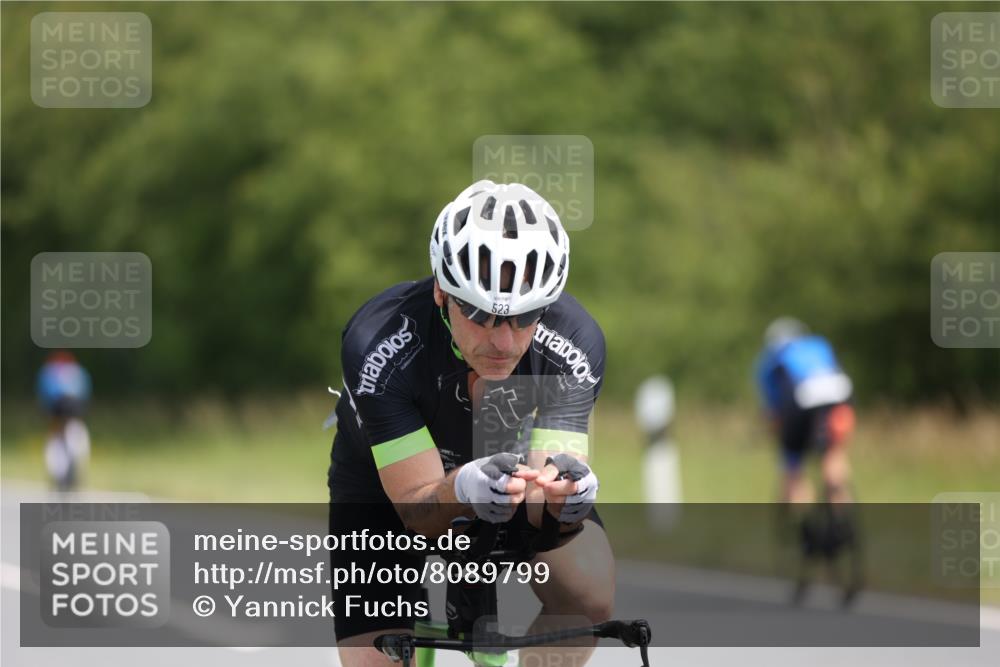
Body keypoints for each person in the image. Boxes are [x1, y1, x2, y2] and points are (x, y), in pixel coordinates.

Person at [327, 181, 611, 667]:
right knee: (379, 657)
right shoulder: (381, 342)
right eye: (479, 314)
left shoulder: (574, 342)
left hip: (507, 466)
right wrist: (463, 485)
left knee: (589, 591)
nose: (503, 340)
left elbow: (544, 503)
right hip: (386, 490)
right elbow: (417, 513)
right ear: (442, 291)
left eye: (525, 317)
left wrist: (566, 502)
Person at [754, 317, 855, 505]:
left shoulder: (771, 360)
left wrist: (784, 441)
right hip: (840, 395)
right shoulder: (819, 344)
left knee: (793, 465)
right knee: (833, 452)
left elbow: (774, 410)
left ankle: (800, 514)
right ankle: (842, 513)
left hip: (798, 399)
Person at [36, 350, 92, 491]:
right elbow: (85, 392)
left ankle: (59, 473)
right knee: (73, 435)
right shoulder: (78, 371)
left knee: (57, 437)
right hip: (75, 408)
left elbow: (44, 395)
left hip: (57, 408)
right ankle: (70, 469)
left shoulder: (48, 372)